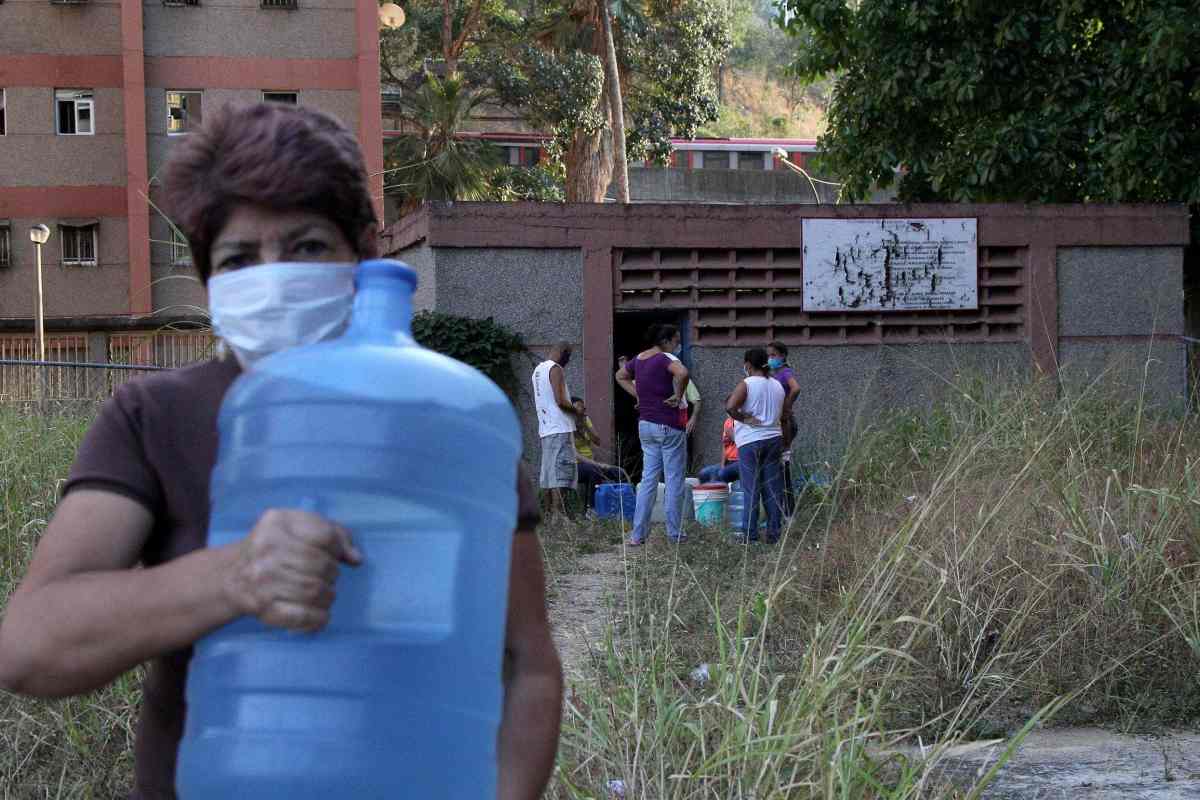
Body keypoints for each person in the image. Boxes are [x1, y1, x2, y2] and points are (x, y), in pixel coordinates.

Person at [0, 103, 562, 800]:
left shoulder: (447, 428)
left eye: (306, 248)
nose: (274, 276)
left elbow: (526, 663)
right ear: (212, 285)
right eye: (240, 258)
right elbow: (29, 648)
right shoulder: (156, 416)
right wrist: (235, 576)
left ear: (364, 253)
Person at [615, 324, 689, 546]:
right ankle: (674, 533)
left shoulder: (639, 359)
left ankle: (637, 535)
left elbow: (620, 375)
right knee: (674, 479)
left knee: (648, 480)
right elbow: (683, 373)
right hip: (668, 424)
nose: (678, 345)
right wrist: (678, 394)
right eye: (676, 341)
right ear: (666, 341)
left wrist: (639, 395)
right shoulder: (665, 357)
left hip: (645, 425)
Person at [726, 347, 786, 544]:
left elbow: (730, 407)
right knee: (772, 488)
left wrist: (745, 418)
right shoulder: (777, 385)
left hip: (750, 442)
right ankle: (774, 535)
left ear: (748, 365)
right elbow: (784, 414)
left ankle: (750, 536)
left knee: (751, 489)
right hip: (774, 439)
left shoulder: (747, 384)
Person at [532, 342, 580, 515]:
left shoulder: (538, 371)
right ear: (563, 352)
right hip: (559, 427)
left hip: (546, 428)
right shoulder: (556, 368)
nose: (568, 361)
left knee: (548, 474)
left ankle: (549, 514)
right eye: (568, 356)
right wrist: (577, 412)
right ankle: (558, 515)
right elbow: (560, 400)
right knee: (560, 473)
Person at [767, 341, 802, 514]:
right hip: (780, 424)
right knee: (778, 470)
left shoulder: (784, 372)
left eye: (773, 355)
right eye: (769, 355)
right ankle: (782, 510)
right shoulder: (775, 374)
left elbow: (796, 388)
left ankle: (787, 512)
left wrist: (787, 407)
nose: (770, 358)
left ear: (782, 356)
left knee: (782, 470)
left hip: (785, 424)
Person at [571, 397, 624, 511]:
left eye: (583, 408)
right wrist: (597, 464)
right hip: (575, 466)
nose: (583, 410)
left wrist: (585, 426)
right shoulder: (567, 425)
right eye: (579, 407)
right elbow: (574, 454)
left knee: (618, 472)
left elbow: (597, 441)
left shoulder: (586, 420)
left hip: (591, 464)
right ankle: (593, 509)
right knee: (594, 470)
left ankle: (622, 506)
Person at [697, 418, 740, 485]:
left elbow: (746, 444)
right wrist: (723, 465)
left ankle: (718, 494)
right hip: (728, 462)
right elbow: (724, 446)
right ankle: (708, 494)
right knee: (704, 473)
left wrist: (733, 436)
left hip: (741, 462)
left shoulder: (743, 422)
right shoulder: (728, 422)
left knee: (721, 474)